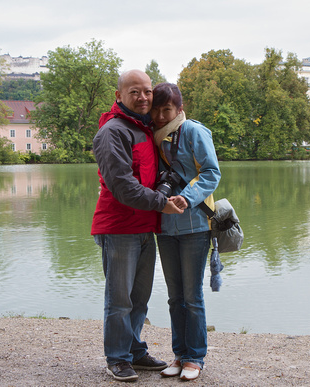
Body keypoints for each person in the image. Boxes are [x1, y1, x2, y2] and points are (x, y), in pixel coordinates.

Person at [91, 70, 184, 382]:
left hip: (145, 227)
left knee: (139, 297)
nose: (143, 97)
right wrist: (162, 203)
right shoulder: (113, 132)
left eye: (147, 91)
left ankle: (134, 350)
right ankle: (116, 358)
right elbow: (122, 186)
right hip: (118, 228)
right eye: (135, 92)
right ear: (119, 96)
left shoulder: (145, 130)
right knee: (119, 300)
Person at [150, 83, 221, 381]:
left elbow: (211, 172)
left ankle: (195, 357)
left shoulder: (192, 131)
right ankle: (179, 354)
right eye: (157, 109)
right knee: (173, 296)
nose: (161, 115)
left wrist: (188, 197)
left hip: (194, 225)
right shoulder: (151, 136)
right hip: (165, 227)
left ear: (179, 109)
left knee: (192, 296)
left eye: (167, 109)